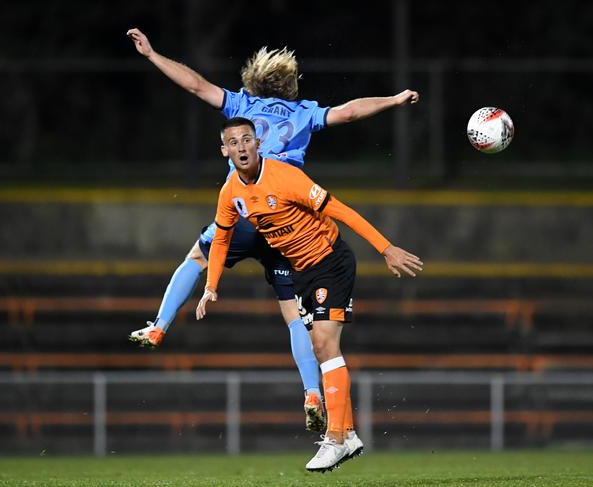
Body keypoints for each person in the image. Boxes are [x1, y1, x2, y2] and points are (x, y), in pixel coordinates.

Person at [126, 27, 420, 432]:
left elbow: (195, 86)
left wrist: (153, 55)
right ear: (291, 85)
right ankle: (311, 392)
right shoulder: (304, 113)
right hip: (288, 226)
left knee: (197, 256)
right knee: (294, 316)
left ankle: (159, 326)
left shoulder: (240, 106)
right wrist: (395, 99)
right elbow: (350, 111)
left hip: (247, 214)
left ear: (254, 80)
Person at [196, 117, 423, 472]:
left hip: (330, 261)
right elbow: (222, 238)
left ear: (258, 143)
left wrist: (385, 248)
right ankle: (347, 434)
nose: (241, 147)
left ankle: (335, 439)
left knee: (323, 344)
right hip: (302, 271)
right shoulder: (230, 194)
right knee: (321, 347)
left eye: (247, 140)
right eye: (233, 142)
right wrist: (211, 286)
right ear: (225, 151)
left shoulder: (286, 178)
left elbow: (340, 210)